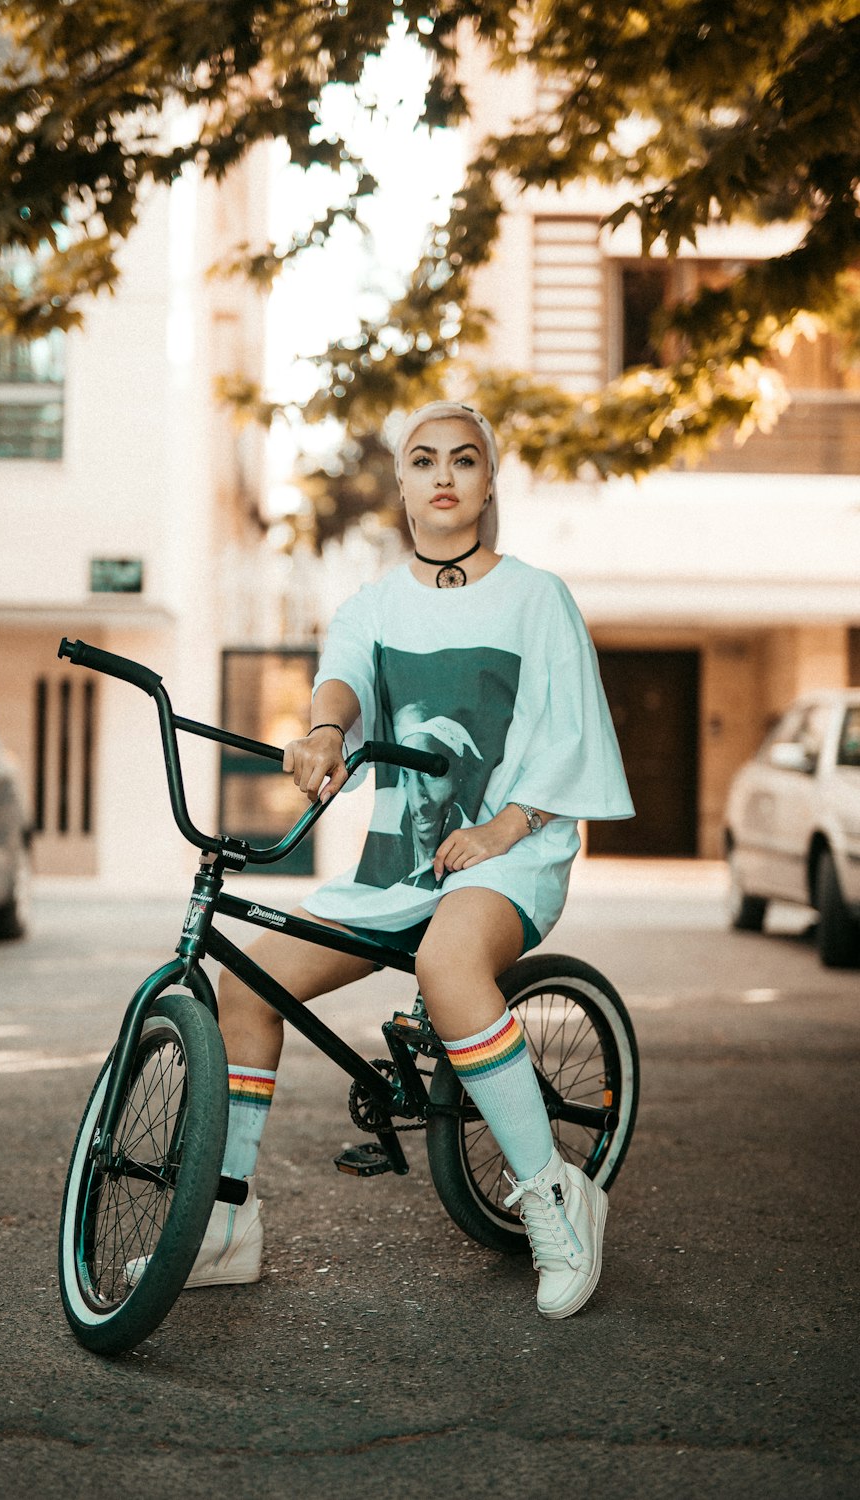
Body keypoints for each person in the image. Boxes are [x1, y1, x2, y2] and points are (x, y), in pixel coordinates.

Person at [184, 401, 634, 1317]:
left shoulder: (535, 596)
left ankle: (556, 1193)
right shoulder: (376, 603)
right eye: (424, 460)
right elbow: (342, 677)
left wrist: (505, 830)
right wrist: (320, 731)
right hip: (405, 865)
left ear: (487, 479)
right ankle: (227, 1219)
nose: (443, 476)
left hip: (513, 853)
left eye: (463, 460)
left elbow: (572, 733)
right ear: (401, 483)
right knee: (248, 984)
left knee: (448, 959)